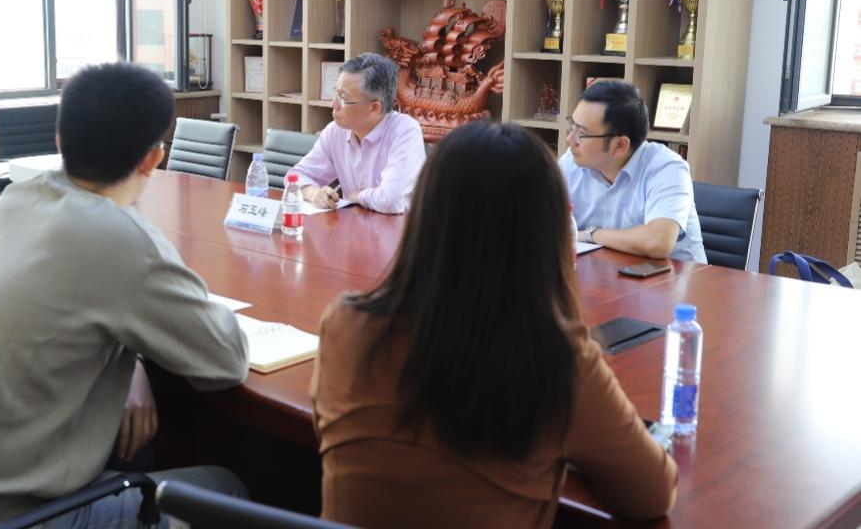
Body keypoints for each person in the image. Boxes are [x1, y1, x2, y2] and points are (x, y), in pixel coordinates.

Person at [0, 62, 250, 527]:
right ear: (153, 159)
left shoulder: (19, 199)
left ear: (59, 141)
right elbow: (226, 359)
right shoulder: (123, 239)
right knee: (225, 486)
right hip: (10, 513)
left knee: (139, 448)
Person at [311, 121, 678, 528]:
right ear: (548, 231)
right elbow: (652, 495)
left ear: (425, 216)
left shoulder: (347, 324)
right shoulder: (558, 360)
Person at [562, 80, 706, 262]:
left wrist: (591, 234)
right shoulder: (572, 161)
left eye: (581, 133)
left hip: (677, 277)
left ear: (620, 145)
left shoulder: (667, 168)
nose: (570, 139)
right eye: (572, 126)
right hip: (609, 271)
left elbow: (657, 242)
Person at [289, 53, 425, 214]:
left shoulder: (405, 131)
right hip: (353, 224)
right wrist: (313, 193)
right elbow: (295, 176)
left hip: (399, 226)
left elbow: (390, 200)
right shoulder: (335, 131)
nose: (333, 104)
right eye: (335, 94)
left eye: (343, 99)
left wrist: (357, 196)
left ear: (374, 108)